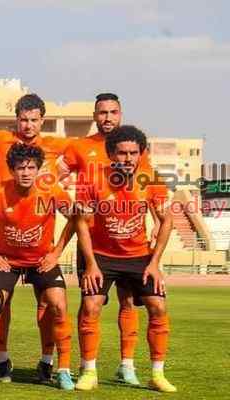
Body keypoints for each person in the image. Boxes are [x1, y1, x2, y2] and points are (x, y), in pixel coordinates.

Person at [58, 93, 152, 385]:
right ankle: (87, 367)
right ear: (94, 116)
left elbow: (147, 186)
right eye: (102, 112)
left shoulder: (134, 146)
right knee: (90, 303)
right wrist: (66, 203)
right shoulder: (79, 147)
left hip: (128, 240)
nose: (107, 117)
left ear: (120, 114)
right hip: (93, 241)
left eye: (113, 112)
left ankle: (127, 366)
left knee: (128, 302)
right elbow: (50, 177)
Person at [74, 125, 176, 393]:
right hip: (101, 255)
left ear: (141, 154)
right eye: (122, 153)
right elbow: (81, 222)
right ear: (111, 154)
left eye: (133, 153)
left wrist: (154, 263)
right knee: (91, 306)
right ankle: (89, 371)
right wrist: (91, 264)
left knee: (158, 306)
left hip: (139, 256)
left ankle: (157, 374)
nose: (128, 158)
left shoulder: (151, 179)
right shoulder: (91, 178)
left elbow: (167, 220)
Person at [0, 93, 72, 383]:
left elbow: (76, 218)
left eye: (32, 167)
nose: (29, 124)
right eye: (24, 119)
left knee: (57, 304)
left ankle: (56, 367)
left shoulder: (52, 185)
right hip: (6, 258)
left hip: (41, 257)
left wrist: (56, 253)